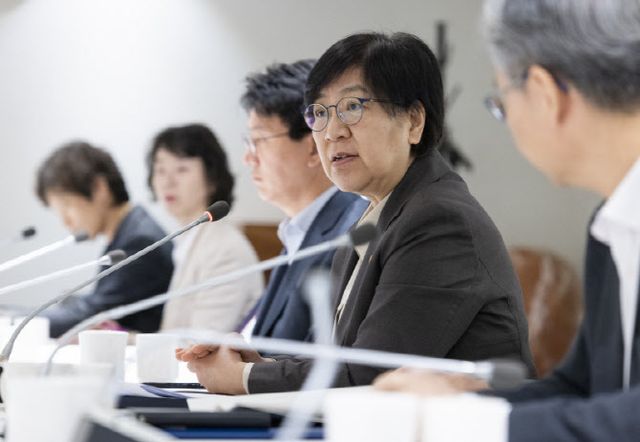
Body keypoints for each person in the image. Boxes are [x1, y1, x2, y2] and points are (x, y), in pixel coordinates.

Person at [176, 32, 534, 395]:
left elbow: (370, 377)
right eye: (319, 113)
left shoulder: (439, 221)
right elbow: (342, 363)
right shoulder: (377, 217)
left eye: (353, 107)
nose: (332, 132)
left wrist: (243, 378)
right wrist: (258, 364)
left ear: (413, 121)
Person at [375, 1, 640, 440]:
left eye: (501, 104)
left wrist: (461, 421)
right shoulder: (610, 227)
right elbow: (582, 387)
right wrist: (462, 402)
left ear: (542, 92)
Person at [236, 60, 368, 341]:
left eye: (258, 141)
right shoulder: (300, 230)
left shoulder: (348, 236)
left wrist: (242, 364)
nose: (248, 158)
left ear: (313, 147)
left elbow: (313, 356)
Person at [35, 141, 173, 337]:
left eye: (67, 206)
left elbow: (89, 316)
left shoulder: (140, 242)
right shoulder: (128, 232)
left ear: (99, 188)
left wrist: (15, 320)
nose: (66, 222)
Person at [148, 123, 263, 332]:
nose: (167, 182)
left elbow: (201, 343)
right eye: (160, 170)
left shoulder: (224, 251)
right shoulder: (187, 240)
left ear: (212, 179)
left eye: (181, 169)